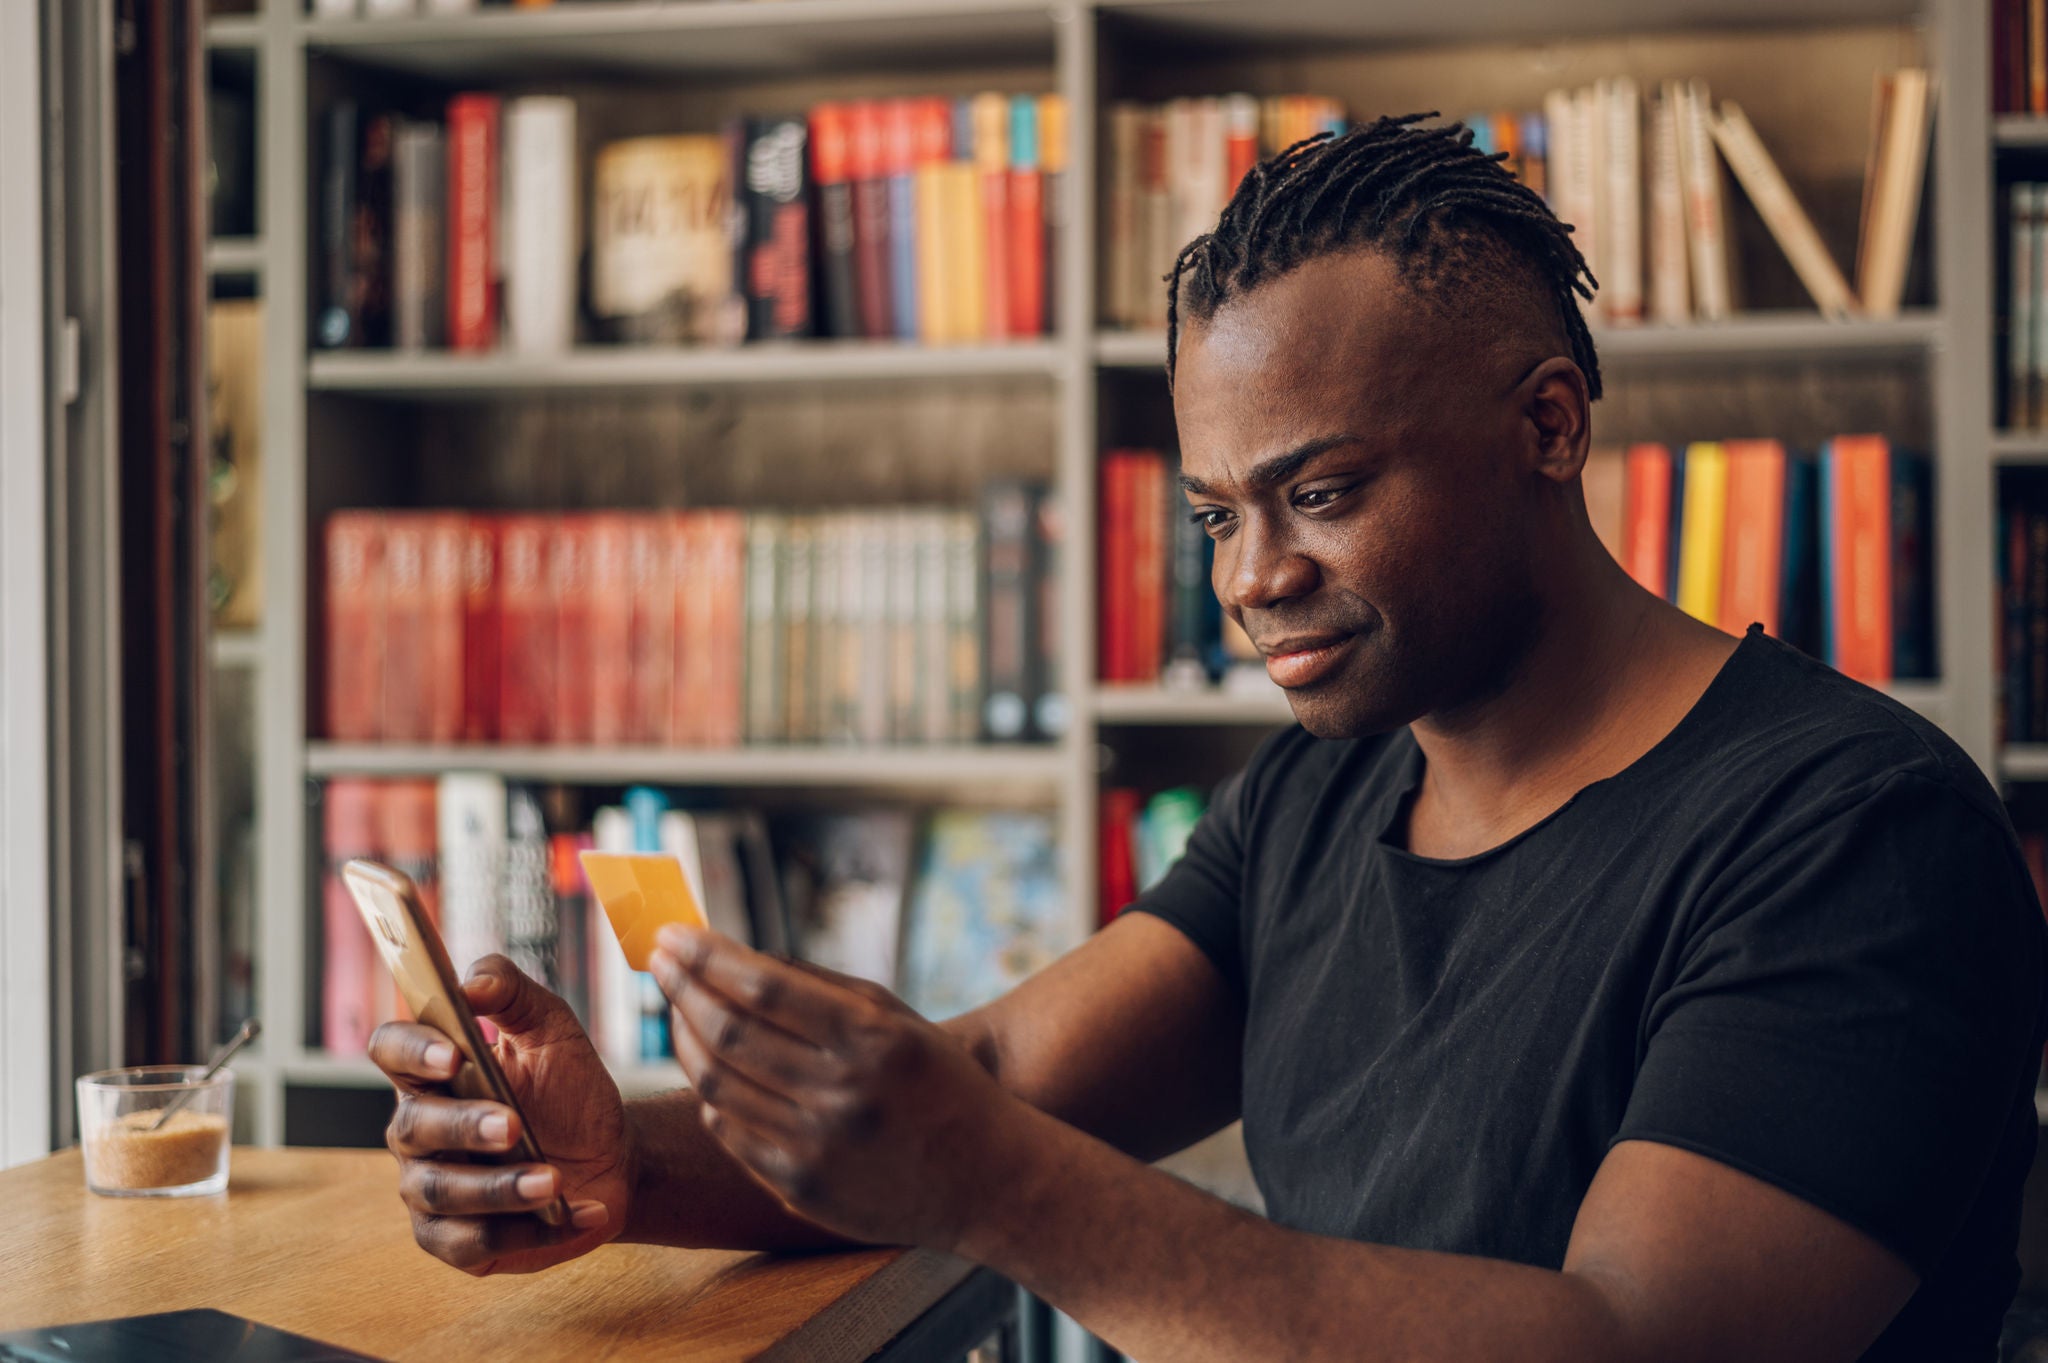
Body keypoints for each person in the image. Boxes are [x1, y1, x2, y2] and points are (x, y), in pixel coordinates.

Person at [370, 114, 2046, 1362]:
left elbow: (1636, 1346)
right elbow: (996, 1081)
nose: (1254, 581)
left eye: (1319, 494)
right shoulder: (1329, 787)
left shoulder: (1856, 836)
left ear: (1548, 425)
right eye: (1214, 516)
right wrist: (616, 1161)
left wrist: (1002, 1191)